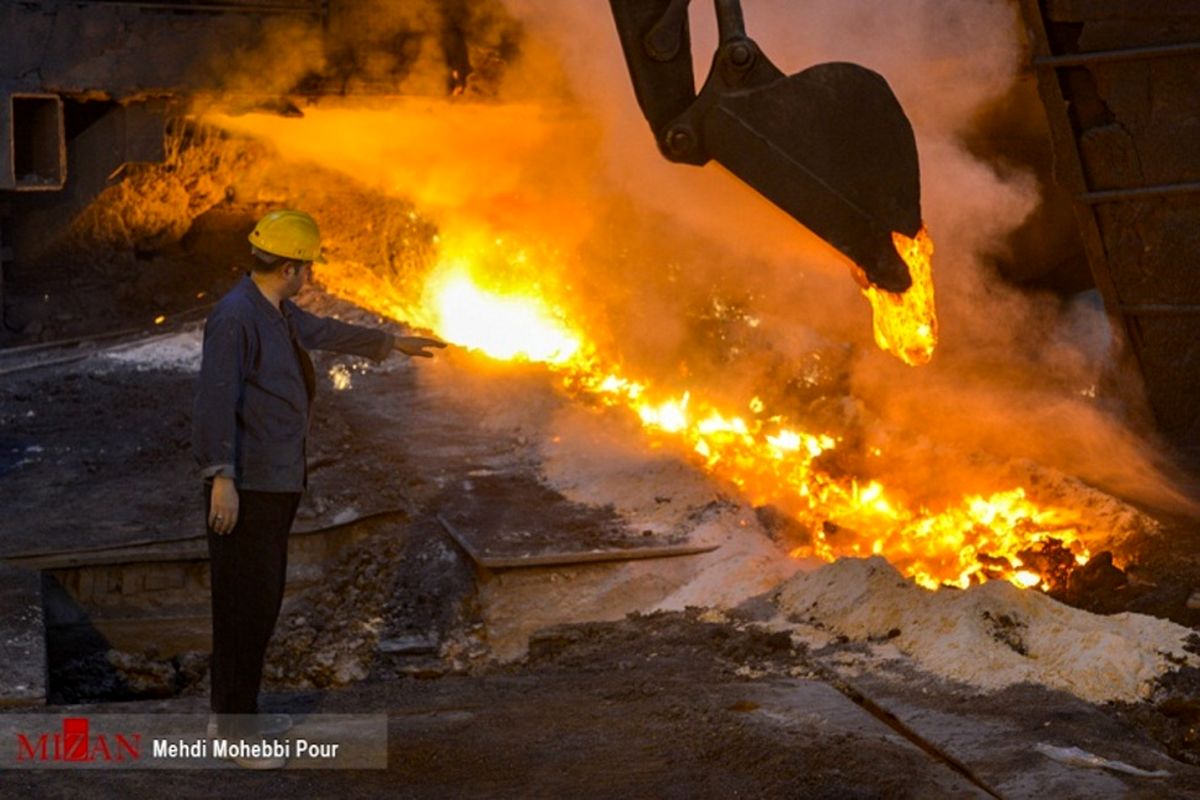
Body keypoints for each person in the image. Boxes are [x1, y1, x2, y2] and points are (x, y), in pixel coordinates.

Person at [192, 209, 444, 767]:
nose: (309, 276)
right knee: (245, 608)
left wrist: (389, 342)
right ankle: (234, 735)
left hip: (274, 482)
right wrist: (222, 479)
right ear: (288, 267)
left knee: (257, 603)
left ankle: (236, 715)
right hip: (248, 487)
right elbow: (215, 402)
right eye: (305, 267)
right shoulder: (236, 319)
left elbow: (322, 331)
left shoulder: (274, 310)